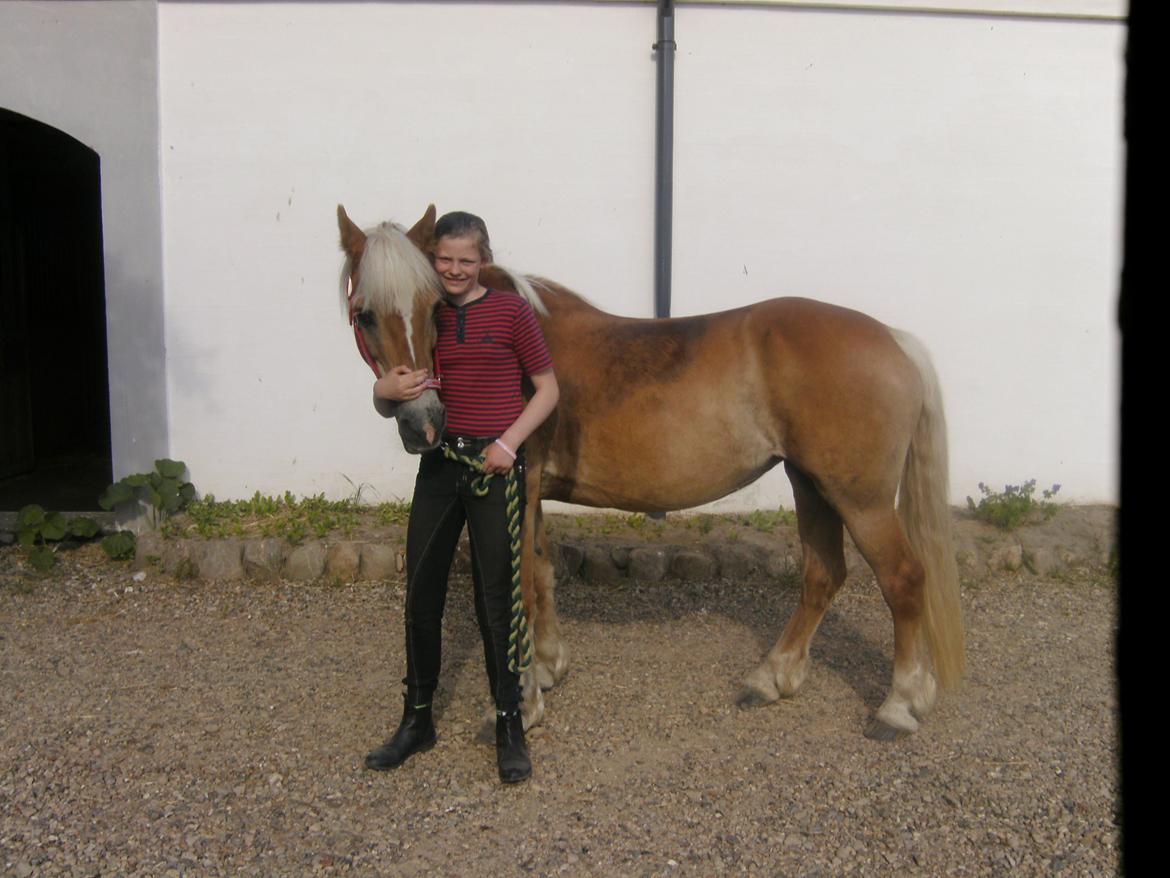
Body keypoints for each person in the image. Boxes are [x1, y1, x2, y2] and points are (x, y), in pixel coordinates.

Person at [365, 211, 559, 784]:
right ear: (433, 260)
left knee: (496, 602)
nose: (454, 269)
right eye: (445, 259)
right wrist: (381, 390)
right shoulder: (426, 310)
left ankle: (509, 724)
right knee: (421, 595)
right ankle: (417, 718)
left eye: (465, 260)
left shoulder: (510, 311)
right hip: (439, 467)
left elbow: (547, 389)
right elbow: (396, 389)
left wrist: (508, 443)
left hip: (493, 469)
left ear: (483, 260)